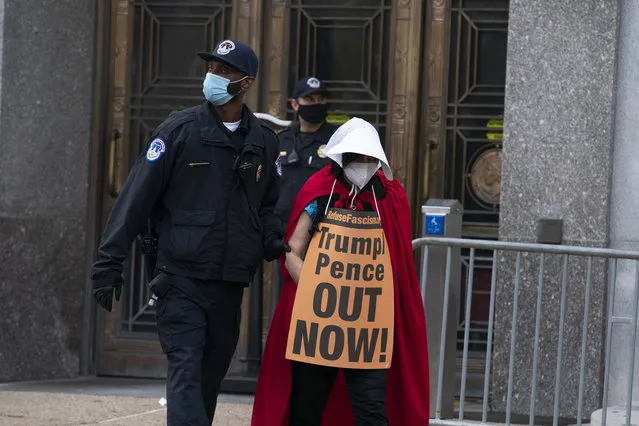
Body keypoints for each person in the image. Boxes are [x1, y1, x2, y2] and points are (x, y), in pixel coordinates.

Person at [90, 39, 288, 426]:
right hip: (180, 277)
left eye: (224, 71)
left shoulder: (263, 142)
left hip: (230, 283)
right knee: (185, 369)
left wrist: (276, 244)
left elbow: (268, 209)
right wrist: (108, 263)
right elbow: (135, 199)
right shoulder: (178, 131)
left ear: (245, 83)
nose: (213, 77)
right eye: (211, 68)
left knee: (207, 379)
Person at [251, 118, 430, 426]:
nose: (364, 164)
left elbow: (397, 261)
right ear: (343, 158)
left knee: (372, 411)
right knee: (306, 411)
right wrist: (313, 289)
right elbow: (293, 248)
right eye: (358, 158)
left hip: (368, 327)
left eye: (370, 159)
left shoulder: (390, 197)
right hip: (319, 322)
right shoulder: (319, 192)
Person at [274, 76, 337, 231]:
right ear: (295, 104)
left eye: (320, 99)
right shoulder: (282, 140)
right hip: (280, 229)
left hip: (321, 230)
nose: (316, 104)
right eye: (309, 99)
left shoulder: (337, 141)